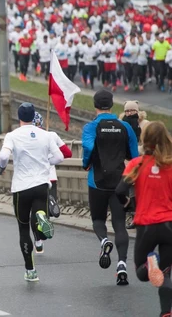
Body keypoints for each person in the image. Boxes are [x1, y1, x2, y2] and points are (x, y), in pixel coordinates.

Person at [0, 103, 66, 282]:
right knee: (38, 214)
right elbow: (60, 156)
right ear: (34, 116)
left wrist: (2, 167)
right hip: (41, 185)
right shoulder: (46, 135)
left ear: (19, 117)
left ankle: (30, 270)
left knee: (22, 228)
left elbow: (4, 156)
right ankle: (41, 219)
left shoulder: (12, 135)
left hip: (21, 187)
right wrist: (46, 163)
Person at [115, 121, 172, 317]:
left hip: (146, 224)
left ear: (144, 139)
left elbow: (120, 190)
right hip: (168, 225)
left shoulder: (137, 164)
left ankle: (150, 264)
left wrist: (127, 202)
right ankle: (166, 313)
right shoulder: (170, 165)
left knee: (141, 270)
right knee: (165, 275)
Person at [82, 89, 139, 285]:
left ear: (95, 105)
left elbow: (88, 147)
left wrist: (86, 162)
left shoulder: (91, 127)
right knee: (119, 224)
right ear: (112, 105)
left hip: (96, 181)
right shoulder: (124, 126)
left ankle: (104, 241)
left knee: (98, 219)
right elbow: (134, 155)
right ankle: (121, 264)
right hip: (119, 181)